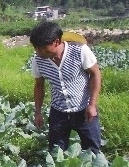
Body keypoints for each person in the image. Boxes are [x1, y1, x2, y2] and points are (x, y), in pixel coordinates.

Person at [29, 21, 102, 154]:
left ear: (56, 42)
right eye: (35, 47)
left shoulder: (80, 51)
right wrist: (38, 112)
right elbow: (39, 86)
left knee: (92, 151)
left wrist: (92, 105)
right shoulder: (38, 60)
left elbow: (95, 74)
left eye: (41, 48)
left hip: (84, 110)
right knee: (56, 153)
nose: (38, 52)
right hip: (59, 112)